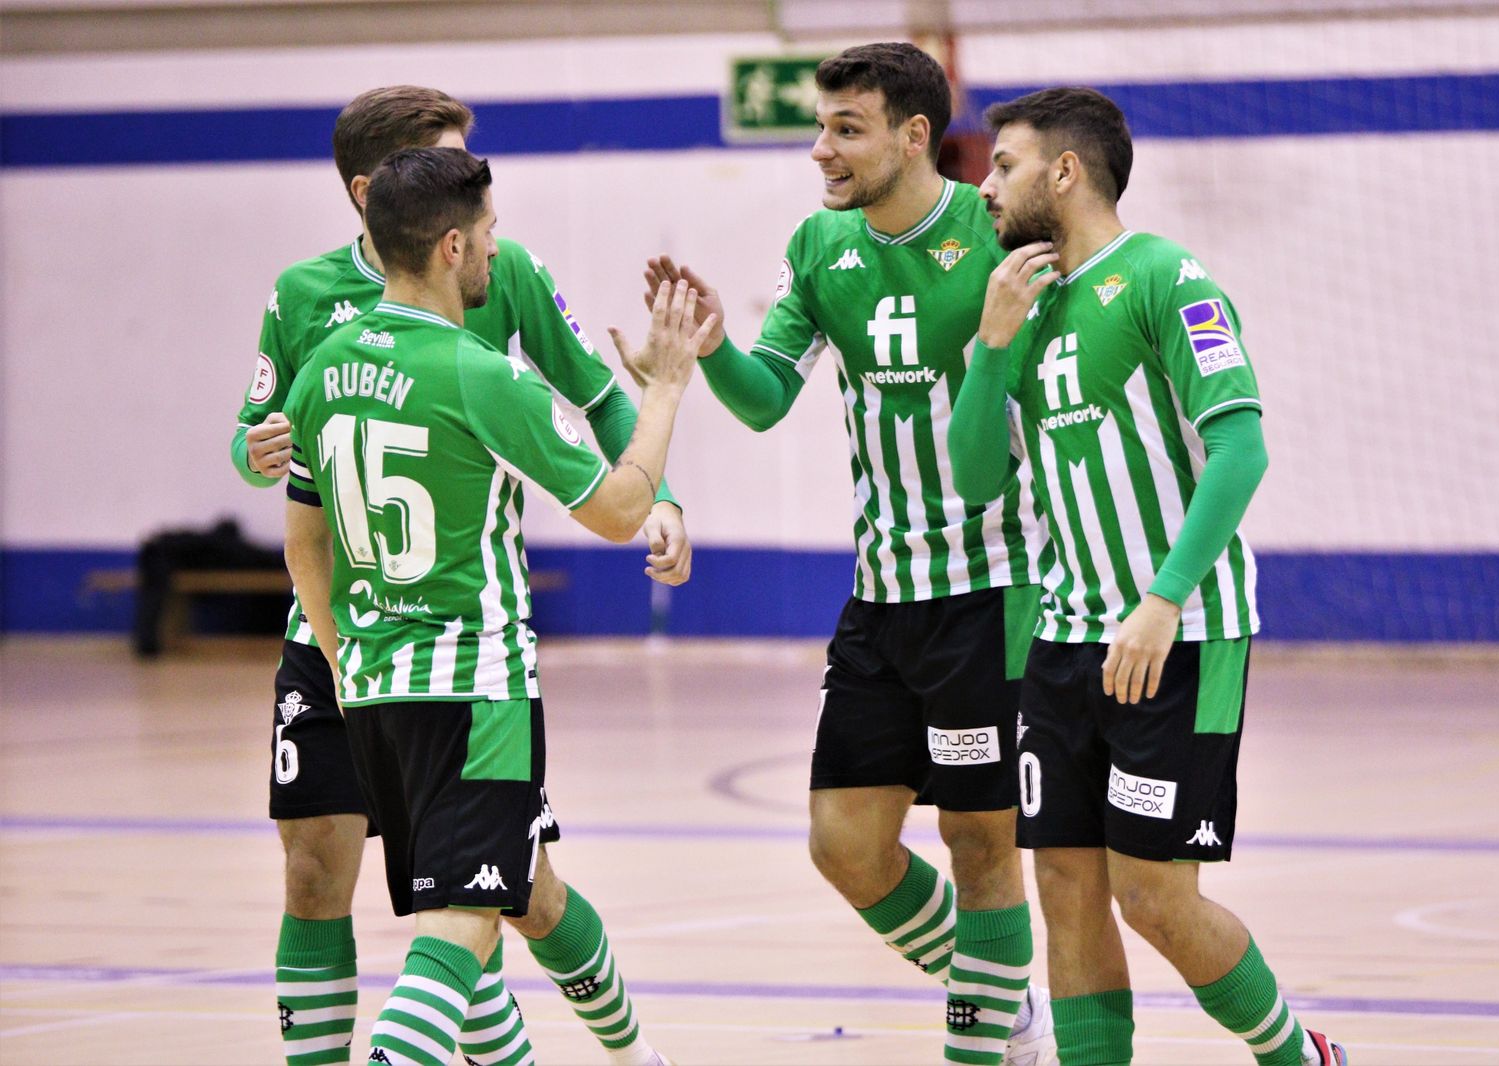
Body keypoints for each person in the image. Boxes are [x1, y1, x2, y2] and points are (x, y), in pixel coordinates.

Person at [235, 87, 684, 1066]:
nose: (497, 247)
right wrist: (667, 389)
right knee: (466, 915)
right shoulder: (476, 370)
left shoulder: (333, 363)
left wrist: (345, 646)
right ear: (443, 239)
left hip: (374, 672)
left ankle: (626, 1054)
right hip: (472, 679)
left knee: (497, 899)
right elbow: (613, 507)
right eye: (484, 230)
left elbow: (300, 534)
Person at [643, 42, 1052, 1066]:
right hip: (883, 596)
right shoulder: (821, 249)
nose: (821, 149)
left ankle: (990, 1042)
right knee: (843, 846)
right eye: (819, 127)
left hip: (992, 589)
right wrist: (709, 349)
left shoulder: (993, 230)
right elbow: (766, 397)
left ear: (914, 135)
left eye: (845, 129)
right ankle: (999, 998)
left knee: (978, 845)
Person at [948, 86, 1348, 1066]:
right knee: (1069, 890)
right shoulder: (1017, 306)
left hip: (1182, 633)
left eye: (1004, 164)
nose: (987, 185)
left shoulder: (1169, 276)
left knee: (1155, 896)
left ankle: (1299, 1054)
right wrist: (992, 348)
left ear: (1065, 170)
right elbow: (972, 476)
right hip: (1063, 639)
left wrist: (1162, 597)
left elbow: (1241, 450)